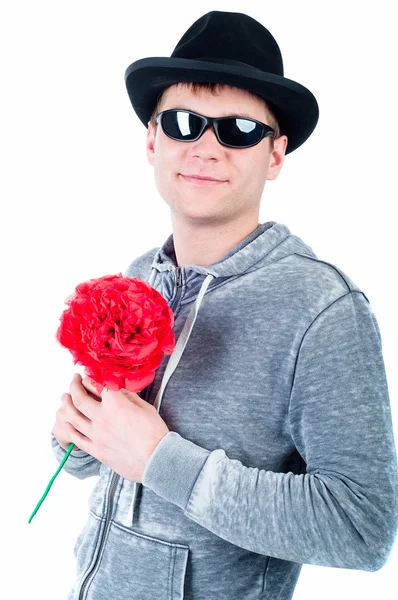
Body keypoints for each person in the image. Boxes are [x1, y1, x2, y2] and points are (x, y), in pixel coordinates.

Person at [51, 10, 398, 600]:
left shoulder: (322, 310)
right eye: (184, 122)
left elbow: (362, 527)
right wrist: (77, 440)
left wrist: (162, 459)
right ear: (152, 141)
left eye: (238, 128)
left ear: (277, 155)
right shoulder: (138, 276)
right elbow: (108, 459)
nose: (205, 147)